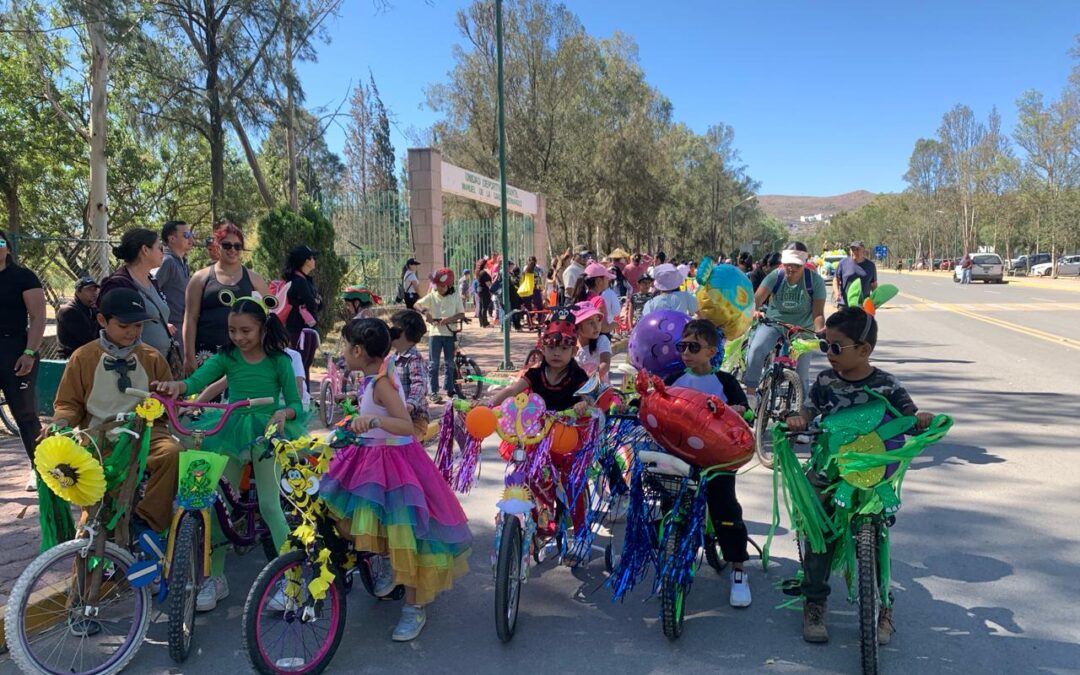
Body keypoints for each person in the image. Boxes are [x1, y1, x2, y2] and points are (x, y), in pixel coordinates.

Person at [785, 307, 935, 645]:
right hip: (831, 469)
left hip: (872, 473)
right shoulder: (825, 381)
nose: (829, 354)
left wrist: (920, 419)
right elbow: (808, 411)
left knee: (877, 537)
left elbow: (908, 416)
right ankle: (815, 602)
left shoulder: (886, 384)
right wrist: (799, 420)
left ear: (864, 350)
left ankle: (884, 607)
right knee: (820, 534)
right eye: (825, 347)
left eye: (837, 347)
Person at [320, 318, 471, 641]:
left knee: (410, 539)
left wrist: (374, 419)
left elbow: (404, 424)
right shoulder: (375, 374)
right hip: (371, 457)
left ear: (359, 351)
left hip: (397, 464)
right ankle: (388, 561)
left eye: (346, 346)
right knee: (360, 523)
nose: (343, 353)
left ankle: (414, 608)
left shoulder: (381, 383)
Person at [154, 294, 305, 612]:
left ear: (263, 328)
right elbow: (195, 381)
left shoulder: (279, 361)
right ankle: (215, 578)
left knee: (268, 505)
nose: (238, 337)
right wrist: (176, 388)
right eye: (233, 330)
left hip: (266, 433)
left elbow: (293, 402)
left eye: (246, 331)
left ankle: (293, 582)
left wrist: (284, 415)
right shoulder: (227, 357)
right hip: (228, 430)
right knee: (215, 503)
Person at [49, 288, 180, 532]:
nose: (132, 332)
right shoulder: (83, 358)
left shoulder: (152, 357)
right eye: (123, 325)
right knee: (98, 508)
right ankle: (92, 552)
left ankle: (148, 523)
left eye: (138, 326)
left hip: (146, 436)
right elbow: (68, 403)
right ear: (102, 320)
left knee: (172, 453)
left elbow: (168, 407)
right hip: (99, 439)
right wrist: (62, 421)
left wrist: (165, 395)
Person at [663, 319, 752, 607]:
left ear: (711, 351)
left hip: (716, 460)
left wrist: (738, 410)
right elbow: (656, 401)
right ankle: (673, 550)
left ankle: (738, 569)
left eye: (693, 347)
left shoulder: (725, 381)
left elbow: (745, 412)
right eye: (682, 346)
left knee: (725, 508)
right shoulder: (674, 378)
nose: (686, 352)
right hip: (680, 456)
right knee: (670, 502)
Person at [487, 308, 591, 531]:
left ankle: (581, 532)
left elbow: (588, 396)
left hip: (565, 435)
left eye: (564, 349)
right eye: (551, 347)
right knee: (525, 470)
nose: (556, 353)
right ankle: (536, 517)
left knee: (573, 481)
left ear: (573, 351)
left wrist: (583, 403)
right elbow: (513, 390)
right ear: (542, 348)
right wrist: (489, 404)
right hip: (535, 435)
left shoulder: (577, 375)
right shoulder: (535, 374)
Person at [183, 222, 270, 373]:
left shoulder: (254, 279)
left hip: (244, 354)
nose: (233, 250)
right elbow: (190, 318)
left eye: (237, 246)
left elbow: (269, 315)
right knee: (206, 396)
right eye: (227, 245)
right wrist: (189, 355)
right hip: (206, 353)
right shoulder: (200, 278)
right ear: (218, 245)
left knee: (241, 396)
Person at [744, 242, 826, 401]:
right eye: (788, 264)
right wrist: (754, 311)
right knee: (756, 349)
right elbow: (757, 300)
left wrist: (820, 331)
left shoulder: (815, 281)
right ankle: (751, 395)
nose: (791, 269)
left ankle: (801, 406)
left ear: (804, 264)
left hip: (802, 328)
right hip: (774, 323)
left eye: (796, 265)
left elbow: (818, 313)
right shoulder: (776, 276)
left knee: (802, 371)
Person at [0, 230, 46, 489]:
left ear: (7, 247)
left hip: (15, 350)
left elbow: (38, 318)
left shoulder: (23, 277)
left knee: (26, 414)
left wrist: (29, 352)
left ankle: (39, 467)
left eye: (0, 242)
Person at [99, 228, 176, 366]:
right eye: (159, 247)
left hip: (160, 361)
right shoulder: (119, 284)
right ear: (145, 250)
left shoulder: (152, 280)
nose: (162, 252)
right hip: (132, 363)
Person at [414, 268, 465, 403]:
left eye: (443, 286)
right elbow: (416, 304)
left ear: (449, 285)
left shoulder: (455, 297)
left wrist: (448, 319)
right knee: (433, 364)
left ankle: (449, 389)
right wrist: (425, 312)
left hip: (449, 334)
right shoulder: (432, 295)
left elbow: (461, 314)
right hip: (435, 334)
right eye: (438, 286)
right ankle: (434, 392)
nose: (440, 289)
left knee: (450, 363)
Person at [281, 245, 322, 390]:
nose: (314, 260)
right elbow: (313, 303)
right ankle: (300, 397)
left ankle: (306, 396)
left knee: (305, 364)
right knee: (300, 365)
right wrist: (316, 301)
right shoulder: (299, 281)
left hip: (305, 328)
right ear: (305, 261)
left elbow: (316, 303)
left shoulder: (304, 280)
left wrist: (316, 301)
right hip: (300, 329)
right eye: (312, 257)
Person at [390, 309, 430, 440]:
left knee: (405, 448)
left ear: (408, 334)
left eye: (396, 331)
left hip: (415, 419)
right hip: (398, 417)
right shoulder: (392, 359)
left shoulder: (414, 358)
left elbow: (419, 384)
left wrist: (411, 404)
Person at [154, 220, 193, 350]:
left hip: (183, 324)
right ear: (172, 239)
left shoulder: (183, 263)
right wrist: (163, 321)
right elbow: (150, 290)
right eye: (186, 235)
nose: (190, 238)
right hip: (170, 328)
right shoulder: (167, 261)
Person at [56, 276, 100, 358]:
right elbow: (88, 338)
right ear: (78, 291)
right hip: (71, 357)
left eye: (95, 289)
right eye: (89, 290)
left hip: (87, 354)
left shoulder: (91, 308)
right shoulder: (68, 311)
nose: (94, 293)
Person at [573, 303, 611, 382]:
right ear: (577, 328)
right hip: (578, 388)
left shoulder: (602, 340)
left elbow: (605, 363)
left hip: (599, 387)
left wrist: (589, 379)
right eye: (591, 323)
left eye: (597, 320)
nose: (596, 326)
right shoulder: (571, 346)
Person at [834, 241, 878, 307]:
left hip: (863, 305)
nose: (854, 252)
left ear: (863, 251)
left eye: (857, 249)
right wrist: (836, 293)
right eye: (852, 249)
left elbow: (873, 284)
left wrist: (875, 300)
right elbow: (836, 279)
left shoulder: (870, 265)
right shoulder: (843, 263)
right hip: (845, 304)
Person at [475, 260, 493, 328]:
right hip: (484, 290)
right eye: (487, 263)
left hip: (480, 290)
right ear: (484, 264)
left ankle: (482, 323)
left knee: (482, 307)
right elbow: (488, 283)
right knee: (484, 307)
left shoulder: (479, 272)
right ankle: (485, 323)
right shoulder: (483, 273)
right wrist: (491, 290)